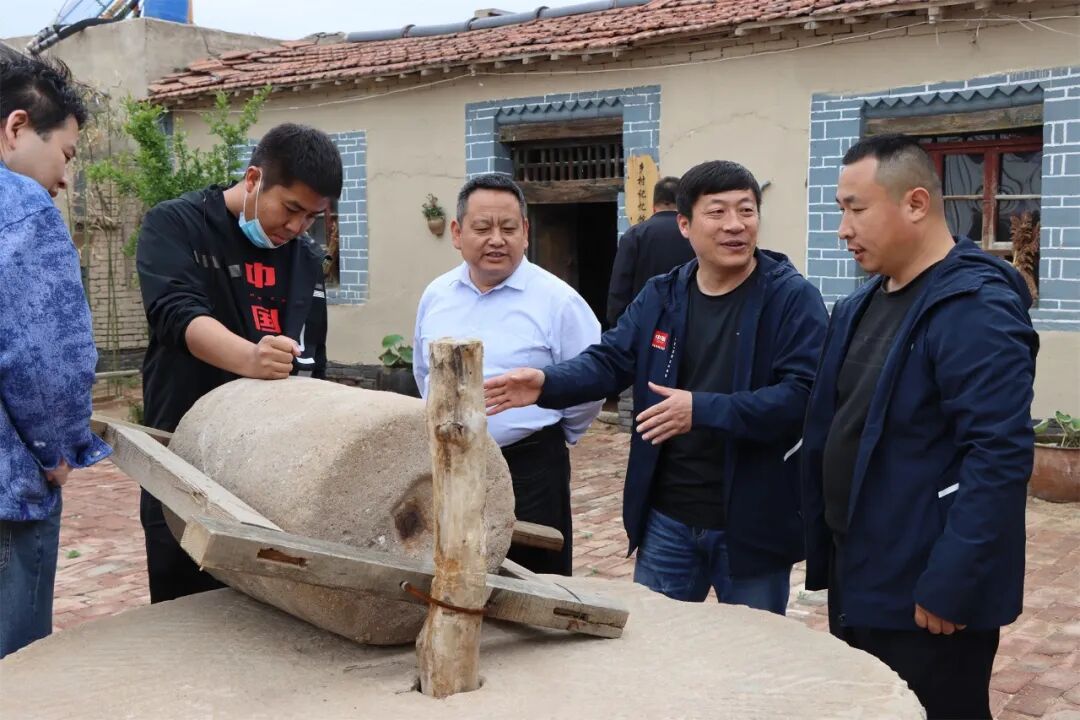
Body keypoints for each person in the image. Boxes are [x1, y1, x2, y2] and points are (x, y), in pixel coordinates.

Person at [484, 161, 827, 612]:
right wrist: (547, 383)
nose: (735, 225)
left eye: (746, 211)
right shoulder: (663, 296)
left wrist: (701, 410)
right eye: (717, 212)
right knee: (656, 649)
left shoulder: (791, 298)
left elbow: (804, 397)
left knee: (752, 665)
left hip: (751, 521)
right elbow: (610, 361)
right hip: (667, 518)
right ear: (684, 224)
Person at [801, 134, 1038, 719]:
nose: (843, 228)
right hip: (862, 572)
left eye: (856, 209)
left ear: (914, 204)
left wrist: (954, 579)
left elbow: (999, 454)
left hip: (929, 592)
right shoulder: (859, 306)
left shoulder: (974, 307)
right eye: (840, 211)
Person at [136, 123, 342, 602]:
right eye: (290, 208)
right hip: (186, 457)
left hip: (270, 470)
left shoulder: (304, 258)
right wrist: (249, 357)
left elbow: (313, 358)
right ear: (253, 179)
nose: (295, 227)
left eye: (310, 217)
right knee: (186, 614)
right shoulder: (177, 225)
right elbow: (174, 313)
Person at [413, 174, 601, 575]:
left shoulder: (558, 301)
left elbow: (590, 384)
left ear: (526, 232)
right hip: (448, 460)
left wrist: (555, 433)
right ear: (457, 232)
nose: (496, 239)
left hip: (530, 464)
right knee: (453, 568)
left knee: (536, 574)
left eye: (508, 228)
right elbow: (422, 372)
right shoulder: (436, 295)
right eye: (482, 228)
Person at [0, 52, 111, 657]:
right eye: (65, 155)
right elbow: (47, 357)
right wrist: (58, 451)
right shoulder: (21, 209)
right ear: (17, 128)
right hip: (7, 494)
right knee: (14, 674)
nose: (65, 178)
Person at [606, 175, 693, 325]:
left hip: (645, 326)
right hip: (688, 324)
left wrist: (619, 326)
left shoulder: (634, 235)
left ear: (653, 206)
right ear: (684, 204)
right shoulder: (695, 234)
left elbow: (619, 291)